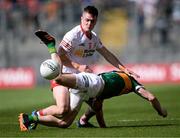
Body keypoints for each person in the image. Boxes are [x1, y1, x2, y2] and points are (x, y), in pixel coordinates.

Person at [18, 33, 167, 131]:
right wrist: (162, 112)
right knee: (58, 77)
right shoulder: (133, 83)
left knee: (64, 122)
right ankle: (51, 46)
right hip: (92, 83)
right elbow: (151, 97)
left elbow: (98, 111)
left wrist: (103, 127)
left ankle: (30, 118)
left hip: (87, 92)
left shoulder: (118, 81)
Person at [24, 5, 139, 128]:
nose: (89, 23)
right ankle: (33, 115)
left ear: (96, 21)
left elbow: (107, 54)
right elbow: (60, 55)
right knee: (62, 109)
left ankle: (83, 122)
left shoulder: (93, 38)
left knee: (67, 122)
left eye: (92, 21)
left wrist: (124, 68)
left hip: (80, 81)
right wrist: (78, 66)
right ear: (81, 19)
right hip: (63, 76)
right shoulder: (73, 35)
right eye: (87, 20)